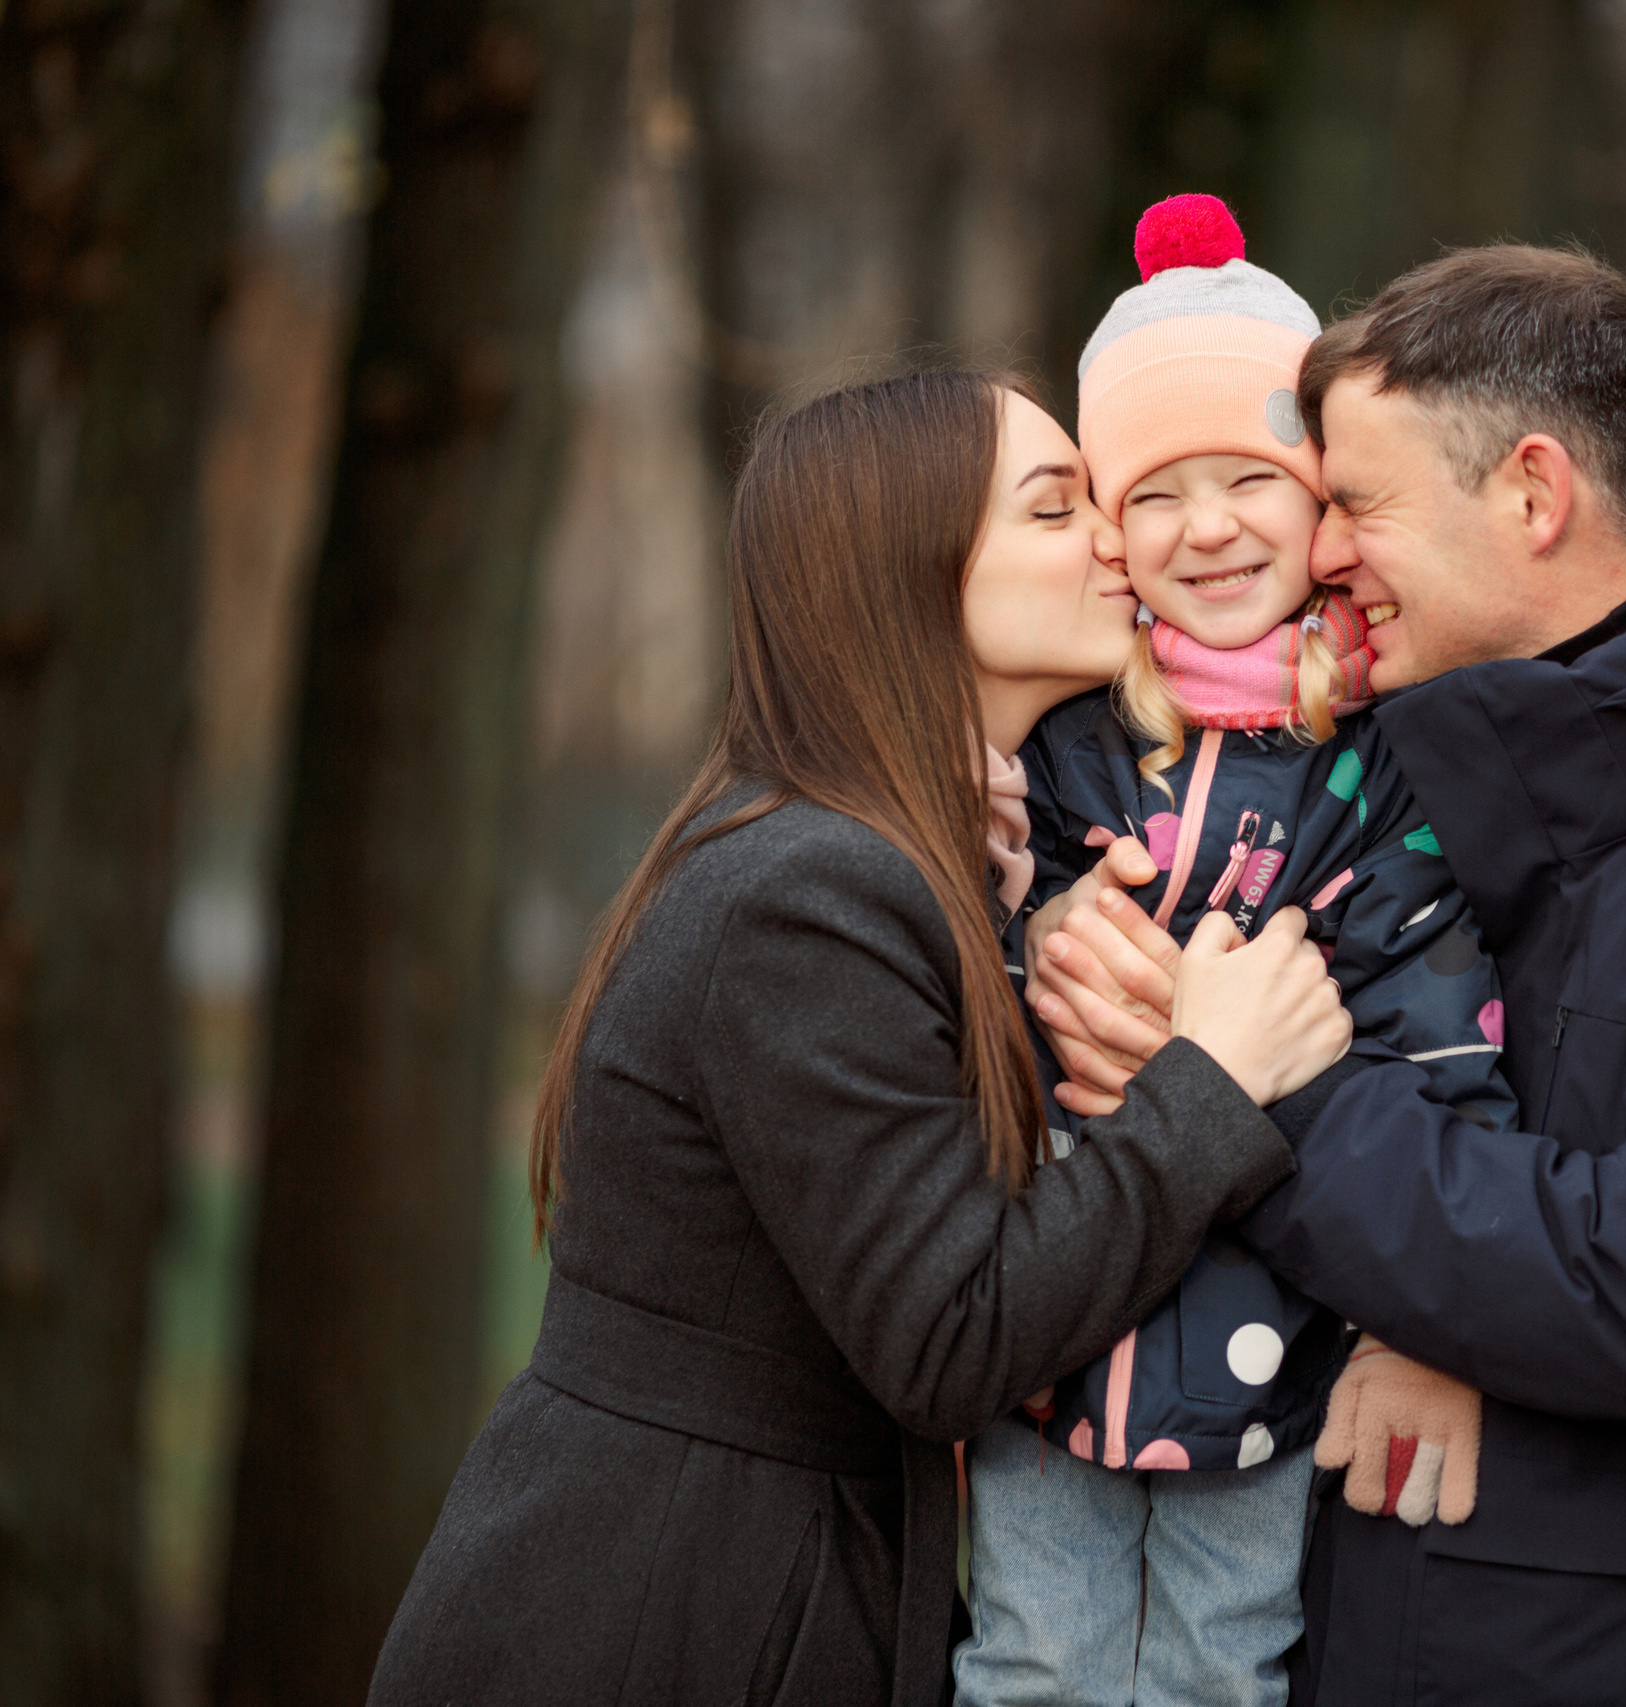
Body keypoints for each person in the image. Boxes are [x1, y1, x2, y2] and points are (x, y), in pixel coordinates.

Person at [1028, 247, 1626, 1704]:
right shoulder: (1406, 788)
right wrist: (1065, 932)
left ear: (1535, 497)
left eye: (1354, 502)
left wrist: (1249, 1105)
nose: (1324, 552)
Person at [366, 371, 1352, 1707]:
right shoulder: (808, 891)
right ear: (914, 572)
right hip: (663, 1614)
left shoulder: (924, 860)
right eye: (1059, 508)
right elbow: (951, 1335)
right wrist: (1213, 1081)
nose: (1122, 537)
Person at [955, 196, 1513, 1707]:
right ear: (1112, 529)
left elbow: (1445, 1031)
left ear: (1318, 502)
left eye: (1250, 481)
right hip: (1054, 1323)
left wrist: (1432, 1330)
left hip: (1276, 1331)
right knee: (1031, 1660)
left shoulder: (1373, 764)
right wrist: (1040, 933)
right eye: (1157, 494)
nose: (1206, 527)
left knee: (1223, 1666)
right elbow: (960, 951)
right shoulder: (1071, 741)